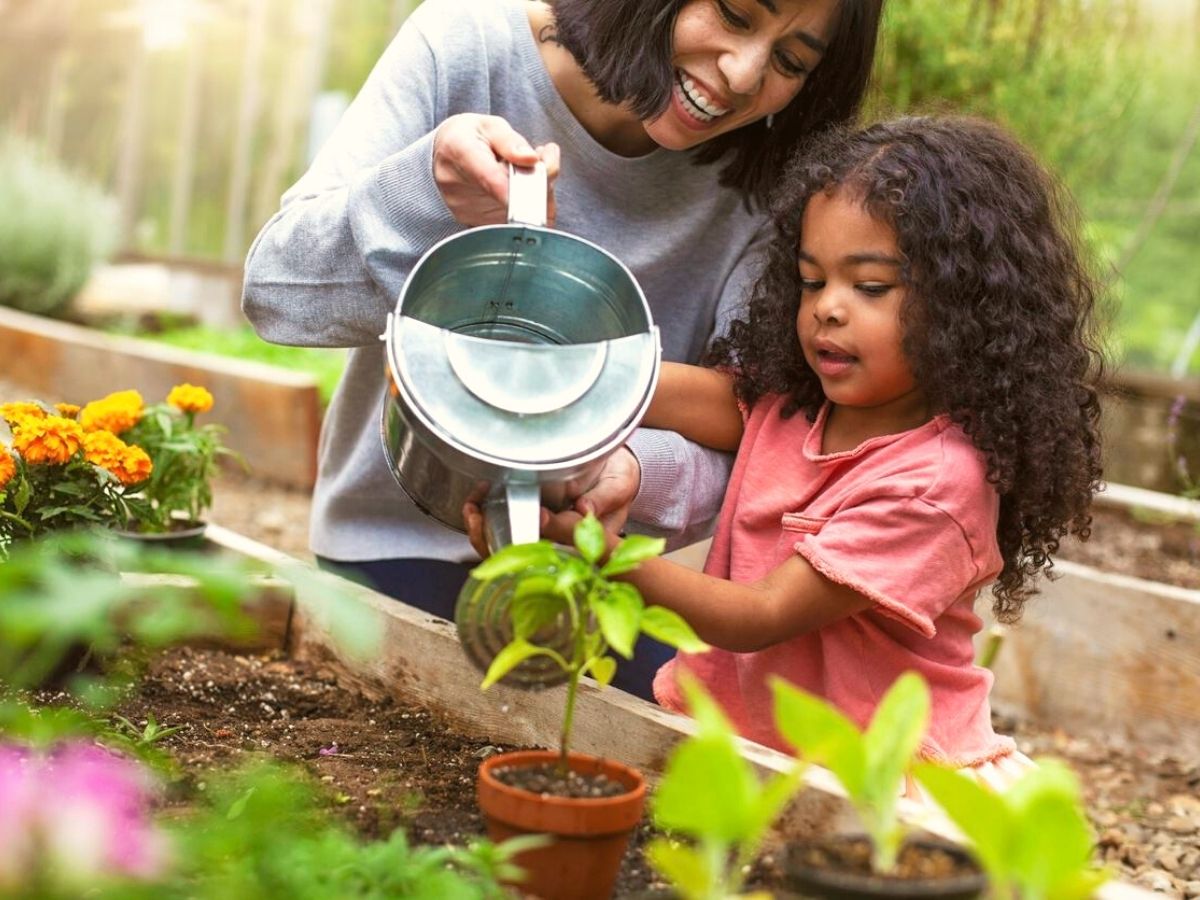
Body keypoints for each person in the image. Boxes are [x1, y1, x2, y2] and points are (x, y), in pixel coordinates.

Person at [242, 0, 884, 699]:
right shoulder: (470, 45)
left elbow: (764, 439)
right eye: (733, 14)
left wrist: (634, 468)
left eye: (791, 61)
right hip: (397, 545)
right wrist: (427, 190)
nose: (741, 73)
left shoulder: (766, 188)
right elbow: (277, 293)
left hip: (597, 577)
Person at [477, 115, 1106, 775]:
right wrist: (585, 378)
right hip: (748, 746)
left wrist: (602, 557)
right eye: (812, 280)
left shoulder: (937, 482)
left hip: (879, 776)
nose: (827, 308)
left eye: (869, 287)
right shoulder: (801, 404)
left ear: (964, 306)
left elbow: (763, 613)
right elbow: (712, 401)